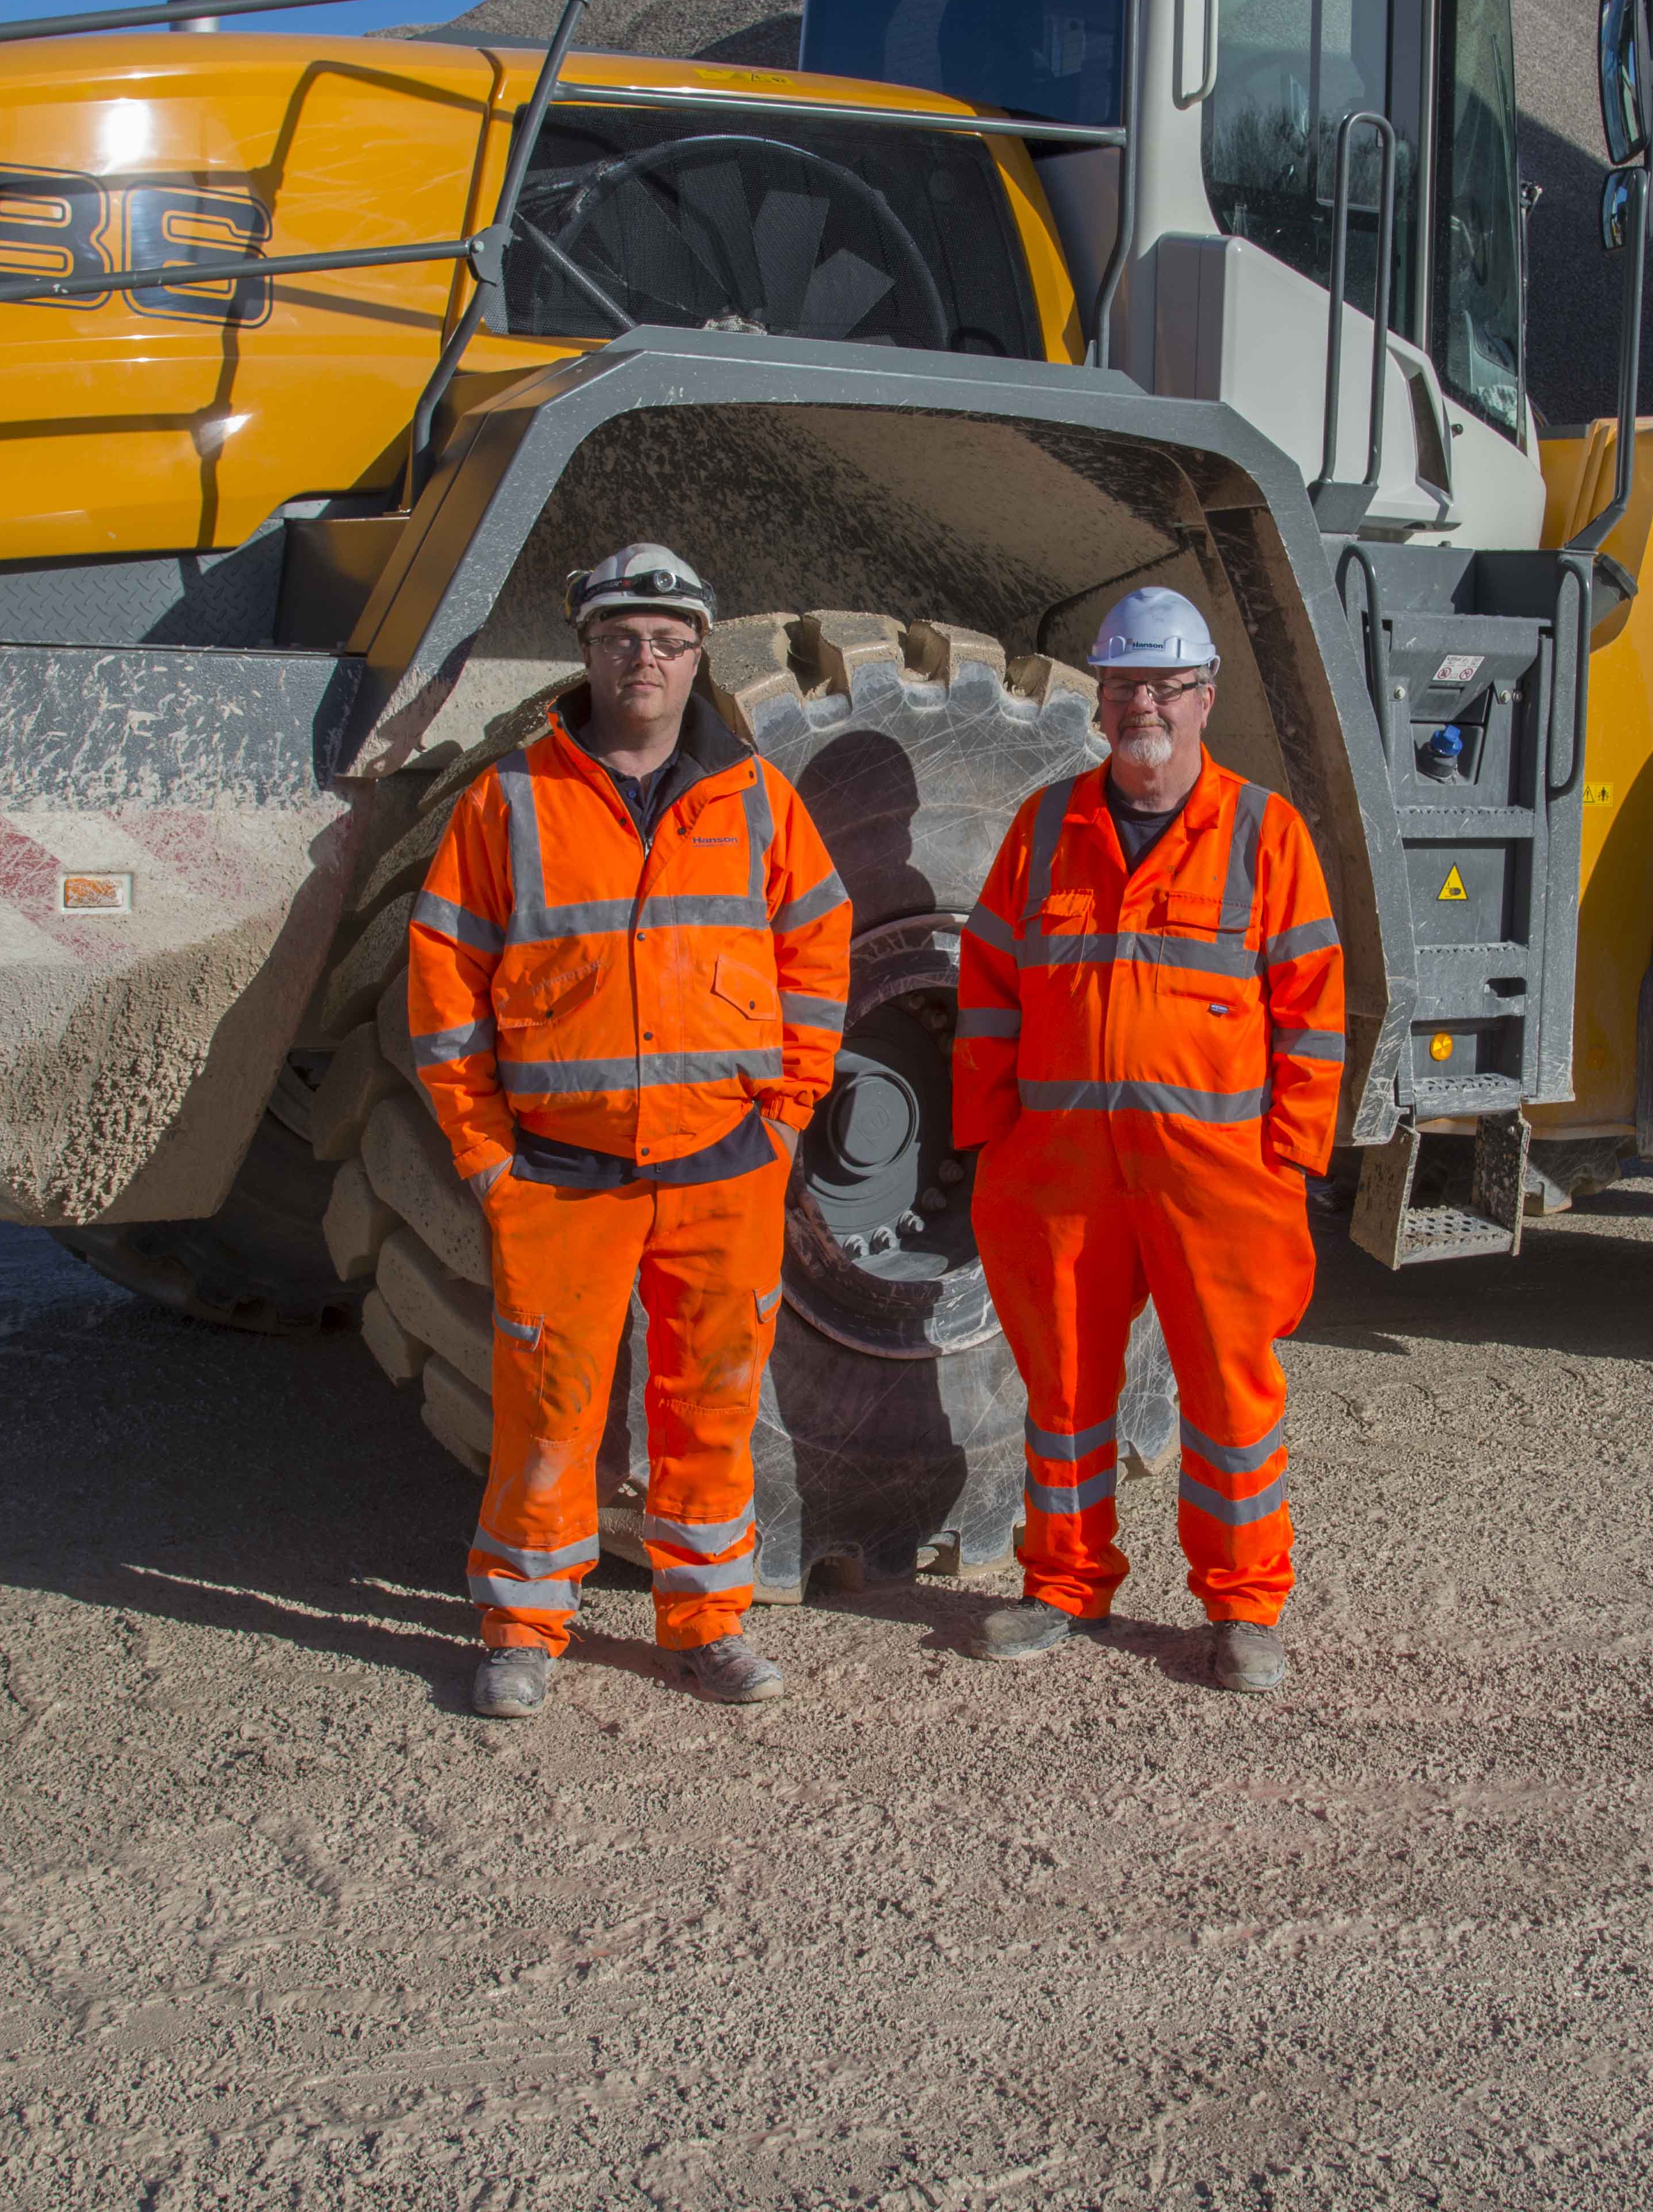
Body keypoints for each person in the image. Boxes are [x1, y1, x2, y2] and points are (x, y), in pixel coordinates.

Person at [405, 542, 851, 1720]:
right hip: (557, 1170)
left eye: (663, 637)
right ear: (586, 651)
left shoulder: (756, 800)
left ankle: (704, 1622)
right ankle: (523, 1624)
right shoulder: (510, 800)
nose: (640, 657)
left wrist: (787, 1111)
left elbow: (816, 948)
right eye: (617, 636)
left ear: (697, 653)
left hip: (723, 1163)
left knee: (709, 1399)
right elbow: (444, 986)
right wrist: (484, 1153)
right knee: (548, 1406)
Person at [948, 584, 1347, 1693]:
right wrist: (992, 1137)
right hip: (1061, 1172)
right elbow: (986, 989)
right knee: (1064, 1388)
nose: (1142, 707)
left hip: (1220, 1179)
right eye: (1123, 685)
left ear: (1203, 696)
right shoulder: (1043, 828)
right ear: (1100, 698)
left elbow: (1314, 1010)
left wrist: (1290, 1157)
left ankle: (1242, 1605)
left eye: (1164, 686)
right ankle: (1063, 1585)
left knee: (1227, 1397)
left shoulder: (1265, 831)